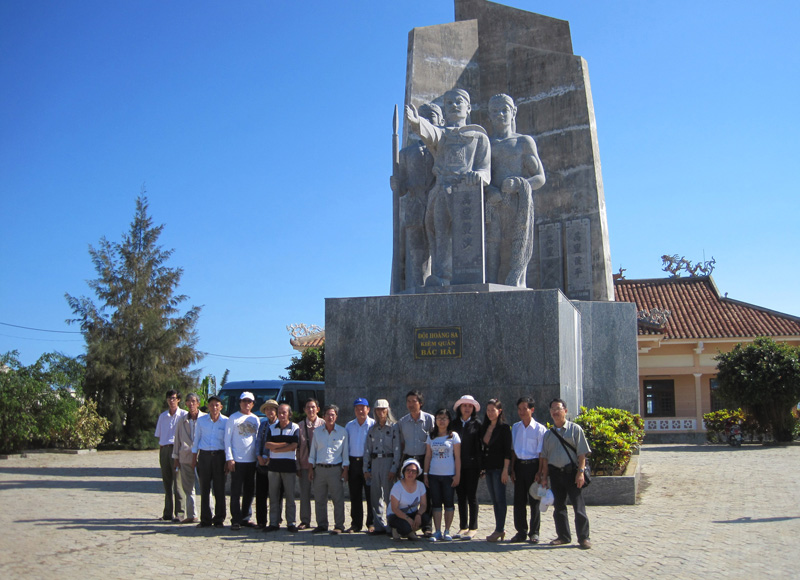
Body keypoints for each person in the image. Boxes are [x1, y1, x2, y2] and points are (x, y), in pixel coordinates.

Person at [405, 89, 491, 286]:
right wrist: (417, 122)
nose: (453, 105)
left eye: (458, 102)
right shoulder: (441, 134)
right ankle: (441, 275)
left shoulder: (479, 137)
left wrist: (478, 176)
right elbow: (430, 133)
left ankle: (466, 276)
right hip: (441, 189)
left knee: (464, 235)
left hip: (466, 192)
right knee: (439, 233)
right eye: (449, 103)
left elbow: (485, 170)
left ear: (468, 108)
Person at [485, 93, 546, 287]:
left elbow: (540, 177)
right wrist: (489, 191)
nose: (500, 114)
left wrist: (520, 183)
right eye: (495, 111)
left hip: (519, 205)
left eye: (504, 110)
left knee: (518, 245)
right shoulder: (486, 144)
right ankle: (491, 284)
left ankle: (517, 283)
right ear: (489, 115)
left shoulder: (523, 142)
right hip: (493, 204)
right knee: (491, 246)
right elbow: (482, 176)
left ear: (513, 112)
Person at [390, 102, 443, 291]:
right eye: (424, 116)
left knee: (440, 250)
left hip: (437, 205)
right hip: (414, 206)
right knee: (416, 253)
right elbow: (402, 187)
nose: (427, 120)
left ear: (441, 121)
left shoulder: (444, 149)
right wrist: (397, 184)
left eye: (432, 117)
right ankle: (417, 288)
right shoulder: (406, 154)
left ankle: (438, 286)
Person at [539, 398, 592, 549]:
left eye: (558, 408)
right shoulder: (548, 435)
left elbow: (582, 454)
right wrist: (544, 477)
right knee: (559, 507)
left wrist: (580, 473)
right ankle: (563, 536)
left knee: (578, 507)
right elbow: (544, 458)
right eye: (553, 409)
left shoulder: (575, 430)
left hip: (572, 473)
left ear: (565, 411)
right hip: (555, 474)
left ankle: (584, 538)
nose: (555, 412)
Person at [509, 396, 547, 543]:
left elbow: (542, 454)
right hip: (519, 466)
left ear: (532, 409)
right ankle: (521, 531)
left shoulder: (540, 429)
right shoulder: (516, 428)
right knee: (518, 501)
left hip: (533, 467)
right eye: (519, 409)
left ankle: (534, 532)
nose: (521, 412)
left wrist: (540, 472)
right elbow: (513, 451)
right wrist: (512, 469)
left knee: (534, 502)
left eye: (524, 408)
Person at [398, 389, 435, 535]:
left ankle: (427, 526)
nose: (411, 404)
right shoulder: (402, 422)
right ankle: (407, 522)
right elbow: (401, 444)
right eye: (408, 401)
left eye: (414, 401)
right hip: (408, 460)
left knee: (427, 493)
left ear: (421, 403)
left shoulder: (430, 420)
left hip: (424, 459)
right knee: (408, 493)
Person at [309, 404, 349, 534]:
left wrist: (345, 470)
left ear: (336, 417)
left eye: (333, 415)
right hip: (319, 469)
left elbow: (345, 454)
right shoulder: (317, 432)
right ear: (323, 416)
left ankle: (339, 525)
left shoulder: (343, 432)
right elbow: (312, 453)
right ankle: (321, 524)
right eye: (328, 415)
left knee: (338, 499)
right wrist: (311, 469)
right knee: (320, 499)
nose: (330, 417)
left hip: (335, 469)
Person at [224, 391, 260, 530]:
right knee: (236, 491)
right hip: (237, 461)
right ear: (240, 402)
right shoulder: (233, 418)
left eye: (249, 401)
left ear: (252, 404)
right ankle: (235, 519)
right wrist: (229, 458)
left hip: (251, 461)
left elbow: (257, 440)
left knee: (249, 491)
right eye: (244, 401)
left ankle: (246, 517)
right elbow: (227, 440)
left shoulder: (255, 419)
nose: (246, 404)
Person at [423, 408, 461, 541]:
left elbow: (457, 457)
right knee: (436, 503)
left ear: (449, 420)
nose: (442, 421)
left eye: (444, 418)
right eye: (439, 418)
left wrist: (457, 475)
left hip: (449, 475)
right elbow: (428, 456)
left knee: (449, 503)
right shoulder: (431, 436)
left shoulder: (453, 436)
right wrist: (426, 473)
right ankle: (437, 530)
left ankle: (447, 530)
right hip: (434, 474)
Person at [364, 398, 401, 535]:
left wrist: (394, 468)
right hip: (375, 462)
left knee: (389, 495)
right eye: (378, 409)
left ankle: (392, 525)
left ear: (388, 410)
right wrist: (365, 469)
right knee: (375, 495)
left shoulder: (394, 427)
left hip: (388, 461)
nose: (381, 412)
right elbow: (367, 449)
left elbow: (397, 450)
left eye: (383, 409)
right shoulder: (372, 428)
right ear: (374, 411)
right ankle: (379, 525)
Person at [191, 394, 228, 528]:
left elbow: (227, 442)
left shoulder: (226, 422)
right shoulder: (201, 421)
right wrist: (194, 458)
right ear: (208, 406)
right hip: (205, 457)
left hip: (219, 457)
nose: (214, 407)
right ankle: (205, 519)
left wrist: (228, 460)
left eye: (217, 405)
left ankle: (219, 519)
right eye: (211, 405)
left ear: (221, 407)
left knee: (219, 489)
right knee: (205, 488)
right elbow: (196, 440)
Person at [480, 398, 512, 542]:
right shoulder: (485, 426)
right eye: (488, 410)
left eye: (493, 410)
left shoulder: (504, 428)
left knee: (500, 499)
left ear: (499, 411)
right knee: (494, 500)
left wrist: (506, 469)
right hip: (488, 468)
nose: (490, 413)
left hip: (499, 468)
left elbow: (507, 451)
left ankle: (500, 529)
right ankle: (499, 528)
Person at [264, 403, 299, 532]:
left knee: (290, 497)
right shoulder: (272, 427)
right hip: (274, 467)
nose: (282, 415)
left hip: (289, 467)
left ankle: (291, 523)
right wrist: (284, 444)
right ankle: (273, 522)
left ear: (289, 414)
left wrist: (277, 447)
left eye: (284, 412)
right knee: (273, 496)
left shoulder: (295, 427)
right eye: (279, 413)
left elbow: (294, 445)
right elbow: (267, 445)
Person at [451, 395, 482, 540]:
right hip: (457, 465)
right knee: (461, 496)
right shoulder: (454, 424)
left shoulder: (477, 424)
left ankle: (473, 526)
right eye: (464, 406)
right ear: (459, 408)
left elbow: (480, 447)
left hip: (472, 466)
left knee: (472, 496)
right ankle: (463, 526)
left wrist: (481, 466)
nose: (467, 408)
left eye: (470, 406)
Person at [172, 392, 205, 524]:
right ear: (185, 404)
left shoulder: (205, 419)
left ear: (198, 403)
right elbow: (177, 439)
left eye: (194, 401)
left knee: (205, 487)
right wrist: (175, 457)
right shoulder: (182, 420)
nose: (191, 404)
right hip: (185, 456)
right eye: (189, 401)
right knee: (188, 487)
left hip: (202, 456)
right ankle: (192, 514)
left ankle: (209, 514)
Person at [154, 389, 187, 522]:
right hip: (164, 450)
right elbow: (159, 435)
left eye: (173, 398)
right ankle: (167, 513)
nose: (171, 400)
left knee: (178, 483)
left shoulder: (183, 415)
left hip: (177, 449)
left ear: (178, 399)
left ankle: (180, 512)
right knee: (167, 483)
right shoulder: (163, 416)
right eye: (169, 398)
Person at [345, 397, 375, 532]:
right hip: (353, 463)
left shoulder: (373, 425)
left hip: (369, 463)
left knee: (371, 495)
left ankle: (371, 523)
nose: (360, 411)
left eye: (362, 408)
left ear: (368, 409)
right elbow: (346, 447)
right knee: (355, 495)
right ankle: (356, 524)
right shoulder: (349, 425)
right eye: (357, 408)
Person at [296, 398, 324, 530]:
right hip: (304, 465)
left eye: (313, 407)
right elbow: (297, 448)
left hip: (320, 466)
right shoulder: (299, 426)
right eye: (308, 407)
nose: (311, 410)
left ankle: (322, 522)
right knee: (304, 494)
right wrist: (297, 465)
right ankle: (305, 520)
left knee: (320, 495)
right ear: (304, 410)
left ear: (318, 409)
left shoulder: (324, 424)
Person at [387, 459, 430, 541]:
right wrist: (408, 519)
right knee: (406, 527)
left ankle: (410, 531)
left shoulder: (420, 485)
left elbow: (424, 505)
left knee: (425, 518)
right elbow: (394, 509)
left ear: (417, 473)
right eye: (408, 470)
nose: (410, 473)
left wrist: (419, 515)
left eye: (413, 471)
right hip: (396, 515)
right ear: (403, 472)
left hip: (412, 513)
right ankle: (396, 530)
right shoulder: (397, 486)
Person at [254, 399, 279, 529]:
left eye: (272, 409)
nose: (270, 411)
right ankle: (261, 521)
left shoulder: (281, 424)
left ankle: (275, 520)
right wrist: (258, 456)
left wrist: (270, 457)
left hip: (275, 463)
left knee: (275, 494)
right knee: (260, 494)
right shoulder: (263, 424)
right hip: (261, 463)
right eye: (267, 409)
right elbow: (258, 441)